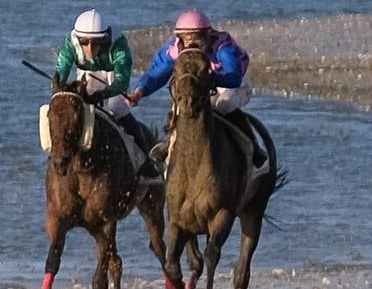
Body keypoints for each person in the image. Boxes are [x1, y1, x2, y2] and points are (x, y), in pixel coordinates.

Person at [128, 9, 260, 162]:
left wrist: (208, 78)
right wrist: (140, 91)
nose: (191, 43)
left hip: (229, 84)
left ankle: (252, 146)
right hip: (201, 86)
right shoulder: (173, 50)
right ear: (179, 38)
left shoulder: (223, 47)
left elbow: (233, 76)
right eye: (186, 38)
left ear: (207, 36)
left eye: (196, 38)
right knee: (181, 103)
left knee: (224, 104)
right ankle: (170, 142)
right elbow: (157, 73)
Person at [55, 9, 158, 178]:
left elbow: (121, 82)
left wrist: (102, 95)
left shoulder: (119, 46)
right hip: (86, 73)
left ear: (105, 38)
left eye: (95, 43)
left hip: (112, 76)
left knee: (117, 108)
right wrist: (59, 87)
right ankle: (61, 155)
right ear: (77, 39)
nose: (89, 48)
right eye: (84, 42)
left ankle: (145, 161)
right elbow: (62, 69)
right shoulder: (70, 44)